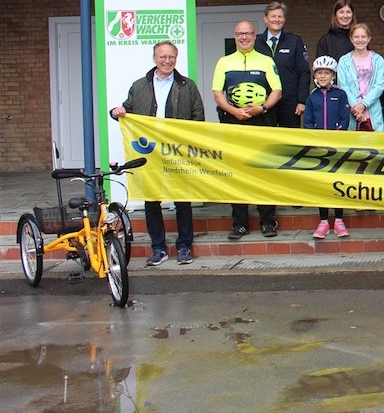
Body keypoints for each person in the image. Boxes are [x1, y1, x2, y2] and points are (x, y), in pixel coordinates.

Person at [111, 41, 204, 265]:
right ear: (154, 59)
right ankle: (158, 248)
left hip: (177, 152)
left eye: (171, 57)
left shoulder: (187, 86)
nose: (167, 61)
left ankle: (184, 246)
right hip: (149, 153)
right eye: (162, 57)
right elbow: (126, 108)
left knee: (182, 199)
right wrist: (117, 112)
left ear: (176, 58)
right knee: (151, 199)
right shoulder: (139, 85)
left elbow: (198, 118)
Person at [213, 20, 282, 239]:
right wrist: (233, 112)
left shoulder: (266, 60)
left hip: (261, 121)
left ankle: (268, 221)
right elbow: (217, 94)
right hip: (233, 123)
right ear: (235, 36)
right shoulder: (224, 62)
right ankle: (239, 223)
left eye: (248, 34)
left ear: (254, 36)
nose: (244, 37)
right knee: (236, 173)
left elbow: (277, 91)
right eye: (240, 34)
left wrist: (261, 108)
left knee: (264, 171)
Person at [303, 56, 351, 239]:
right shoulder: (312, 97)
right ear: (315, 75)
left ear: (333, 75)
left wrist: (335, 136)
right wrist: (316, 138)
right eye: (320, 73)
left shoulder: (340, 95)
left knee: (337, 183)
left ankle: (339, 219)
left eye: (327, 73)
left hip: (337, 147)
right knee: (321, 184)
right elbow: (307, 122)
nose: (323, 76)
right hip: (319, 149)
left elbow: (344, 119)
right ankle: (323, 221)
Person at [254, 1, 309, 129]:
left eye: (280, 16)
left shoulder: (295, 41)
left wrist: (302, 101)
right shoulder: (256, 42)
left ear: (284, 19)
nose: (277, 19)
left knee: (290, 140)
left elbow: (304, 72)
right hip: (263, 100)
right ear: (266, 19)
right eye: (273, 16)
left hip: (289, 101)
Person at [337, 23, 384, 131]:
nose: (360, 40)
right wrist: (356, 107)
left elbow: (379, 86)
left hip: (372, 111)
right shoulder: (343, 61)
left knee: (375, 145)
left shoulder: (378, 60)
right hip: (352, 111)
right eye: (356, 37)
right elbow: (343, 86)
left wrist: (363, 104)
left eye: (363, 37)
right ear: (351, 39)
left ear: (369, 38)